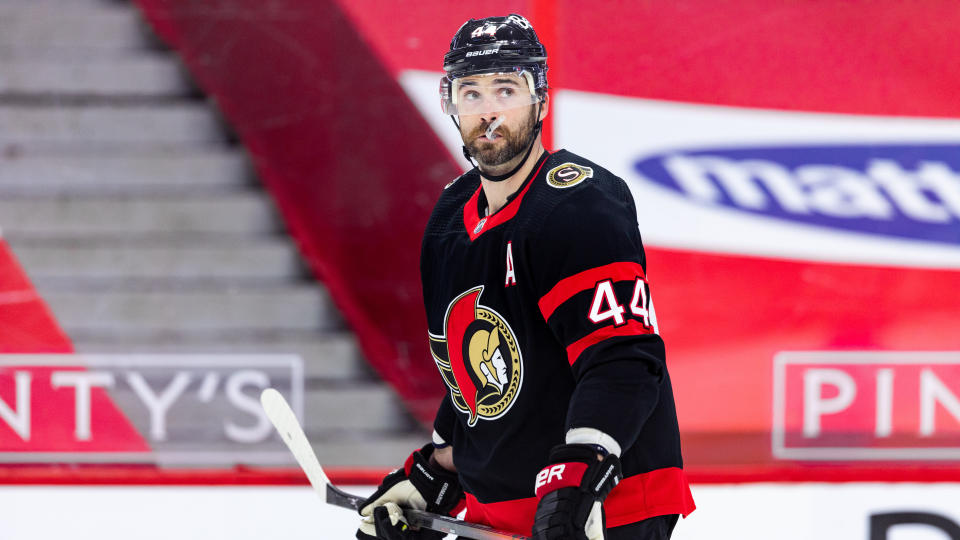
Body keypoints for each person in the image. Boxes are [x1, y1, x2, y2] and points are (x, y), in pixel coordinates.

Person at [356, 14, 695, 540]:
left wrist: (580, 478)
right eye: (471, 93)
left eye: (505, 89)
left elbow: (623, 360)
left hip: (609, 502)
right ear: (450, 105)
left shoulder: (578, 205)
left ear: (540, 99)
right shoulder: (449, 219)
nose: (488, 111)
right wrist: (439, 472)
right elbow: (478, 384)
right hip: (506, 511)